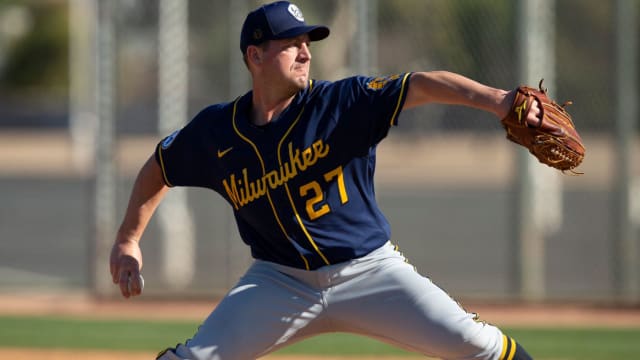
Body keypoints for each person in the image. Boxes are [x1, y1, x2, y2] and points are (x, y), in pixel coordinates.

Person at [110, 1, 538, 359]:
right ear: (254, 56)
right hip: (279, 282)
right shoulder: (217, 131)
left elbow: (420, 85)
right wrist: (129, 239)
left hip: (369, 270)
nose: (305, 52)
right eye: (291, 43)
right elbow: (160, 167)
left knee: (478, 345)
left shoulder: (341, 102)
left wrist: (497, 100)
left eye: (306, 43)